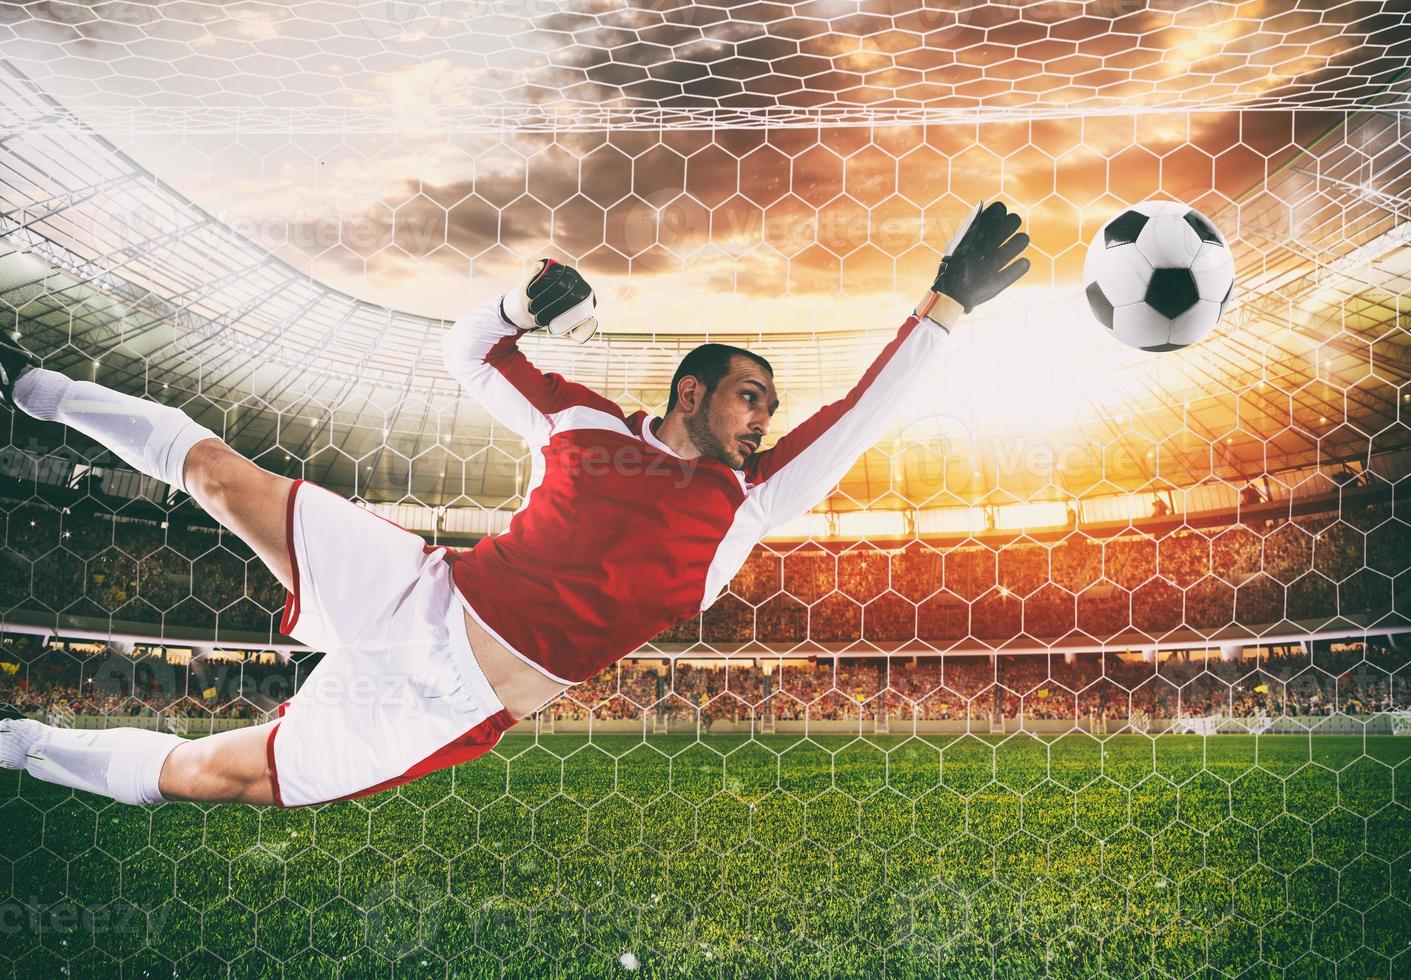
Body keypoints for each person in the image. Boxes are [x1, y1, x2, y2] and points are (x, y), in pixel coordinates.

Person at [0, 201, 1029, 807]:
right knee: (224, 478)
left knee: (214, 777)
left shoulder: (748, 500)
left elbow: (859, 413)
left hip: (446, 701)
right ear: (692, 391)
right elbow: (469, 352)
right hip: (419, 596)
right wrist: (516, 304)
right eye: (751, 395)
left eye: (769, 405)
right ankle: (26, 386)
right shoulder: (579, 421)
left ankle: (12, 741)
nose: (765, 417)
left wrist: (947, 303)